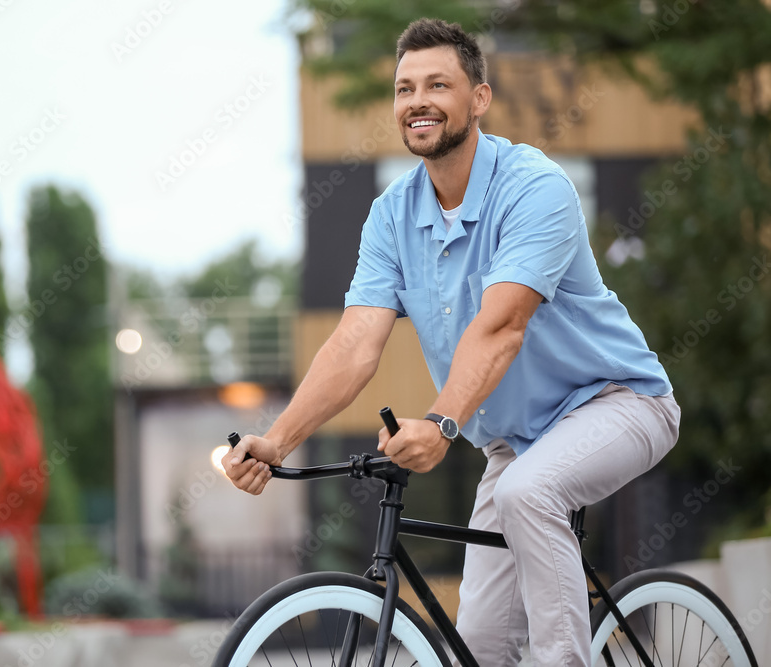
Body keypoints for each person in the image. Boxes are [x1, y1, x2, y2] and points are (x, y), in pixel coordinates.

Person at [222, 17, 679, 667]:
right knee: (481, 648)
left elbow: (502, 326)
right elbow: (355, 342)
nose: (418, 101)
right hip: (515, 443)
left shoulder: (535, 187)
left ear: (479, 98)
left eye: (438, 84)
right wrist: (278, 438)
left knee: (528, 492)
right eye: (405, 88)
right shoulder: (391, 214)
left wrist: (440, 422)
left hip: (619, 402)